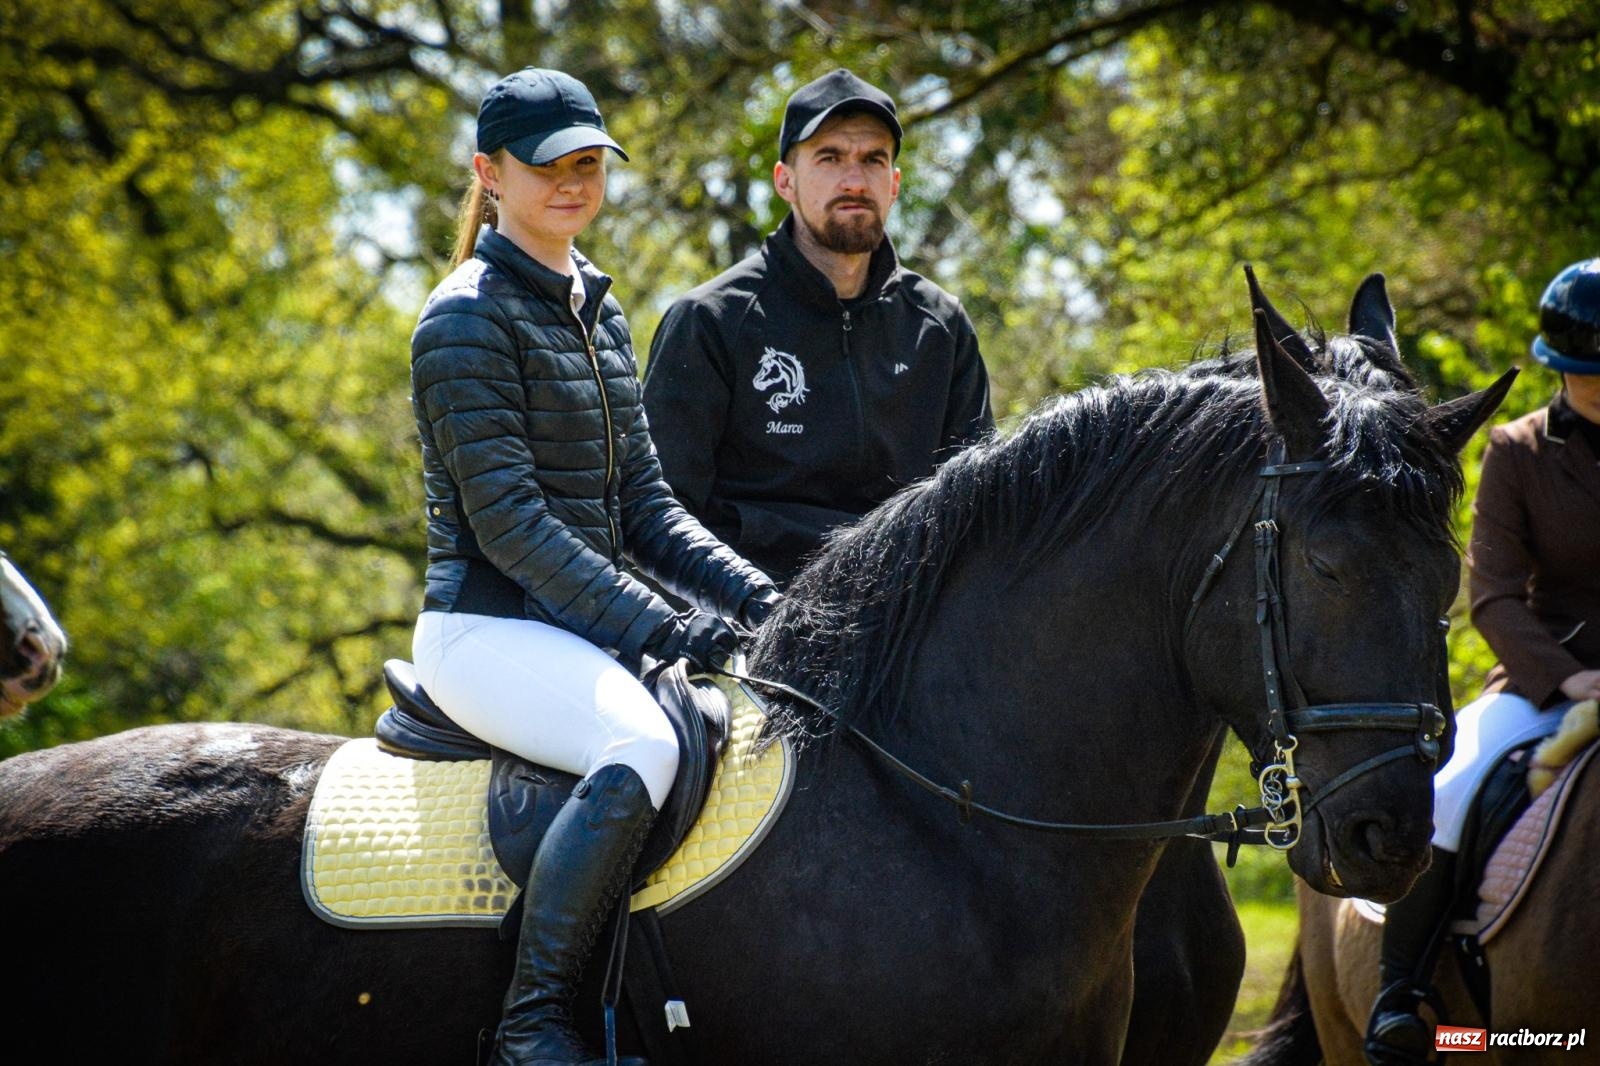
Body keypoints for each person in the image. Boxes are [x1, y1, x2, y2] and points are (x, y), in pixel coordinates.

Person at [410, 68, 779, 1066]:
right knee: (639, 749)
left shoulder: (597, 306)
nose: (573, 182)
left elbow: (647, 509)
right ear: (489, 174)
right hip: (486, 627)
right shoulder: (463, 317)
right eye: (547, 167)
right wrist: (659, 627)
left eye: (587, 163)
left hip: (572, 623)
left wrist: (763, 603)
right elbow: (514, 528)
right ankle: (531, 1022)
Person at [1364, 259, 1600, 1066]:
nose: (1597, 388)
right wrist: (1568, 680)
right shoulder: (1517, 451)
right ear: (1558, 370)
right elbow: (1493, 594)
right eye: (1582, 374)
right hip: (1549, 681)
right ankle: (1403, 994)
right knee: (1451, 784)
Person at [641, 69, 994, 587]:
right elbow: (659, 518)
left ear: (894, 185)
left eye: (873, 160)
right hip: (753, 618)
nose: (854, 180)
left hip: (906, 621)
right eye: (829, 158)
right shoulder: (711, 322)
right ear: (786, 181)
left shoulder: (940, 327)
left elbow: (979, 512)